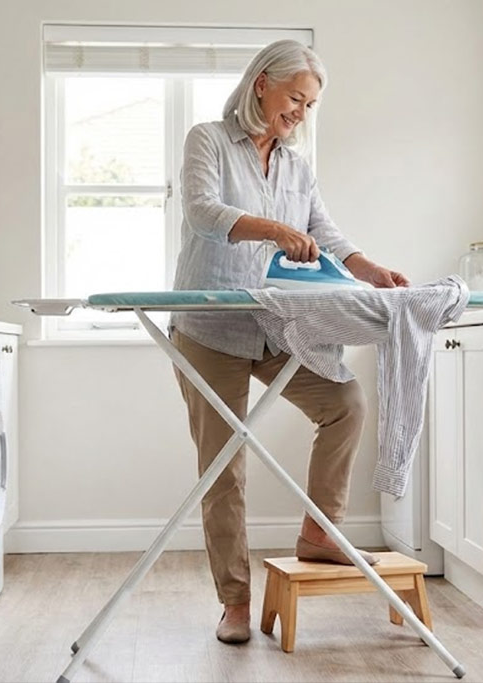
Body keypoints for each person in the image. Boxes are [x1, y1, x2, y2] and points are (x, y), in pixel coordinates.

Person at [169, 39, 410, 645]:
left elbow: (322, 230)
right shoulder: (208, 140)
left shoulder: (298, 165)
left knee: (346, 404)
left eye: (310, 104)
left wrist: (369, 270)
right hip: (210, 330)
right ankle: (234, 602)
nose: (301, 112)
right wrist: (275, 229)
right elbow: (202, 212)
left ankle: (320, 533)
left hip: (277, 324)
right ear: (262, 86)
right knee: (225, 467)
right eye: (295, 98)